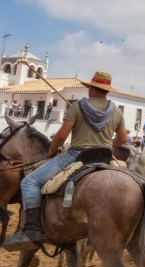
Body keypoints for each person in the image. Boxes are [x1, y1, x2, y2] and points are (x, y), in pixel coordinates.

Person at [4, 71, 126, 251]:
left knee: (29, 182)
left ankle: (33, 229)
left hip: (77, 155)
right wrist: (108, 144)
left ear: (91, 88)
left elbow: (61, 136)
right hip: (105, 156)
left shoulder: (77, 107)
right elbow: (122, 139)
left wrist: (51, 151)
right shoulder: (116, 111)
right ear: (106, 91)